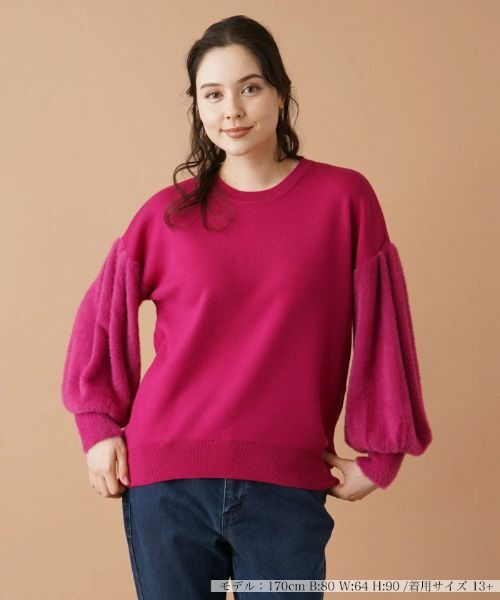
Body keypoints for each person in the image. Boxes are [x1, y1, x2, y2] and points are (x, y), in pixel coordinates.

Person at [61, 14, 433, 600]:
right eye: (213, 94)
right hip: (166, 482)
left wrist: (382, 452)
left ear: (280, 93)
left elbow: (383, 326)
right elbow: (100, 320)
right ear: (198, 107)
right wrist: (98, 426)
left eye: (250, 88)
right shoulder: (167, 215)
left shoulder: (344, 199)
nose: (231, 110)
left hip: (285, 487)